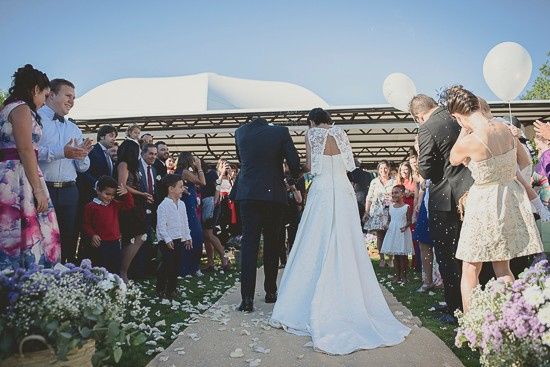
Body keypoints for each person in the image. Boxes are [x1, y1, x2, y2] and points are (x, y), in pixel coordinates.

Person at [270, 108, 410, 354]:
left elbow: (312, 167)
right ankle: (348, 291)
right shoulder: (341, 132)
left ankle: (309, 292)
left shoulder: (311, 134)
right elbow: (348, 164)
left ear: (312, 121)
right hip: (343, 190)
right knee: (347, 239)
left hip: (323, 190)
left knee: (315, 238)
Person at [445, 85, 544, 312]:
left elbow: (453, 158)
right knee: (503, 267)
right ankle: (509, 321)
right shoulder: (505, 128)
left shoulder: (470, 140)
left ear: (458, 115)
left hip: (483, 203)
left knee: (470, 267)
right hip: (508, 198)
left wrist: (464, 129)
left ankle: (471, 326)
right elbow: (523, 162)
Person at [411, 93, 473, 324]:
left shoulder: (427, 128)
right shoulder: (458, 116)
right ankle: (472, 304)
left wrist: (419, 154)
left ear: (419, 116)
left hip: (445, 198)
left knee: (447, 256)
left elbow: (426, 170)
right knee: (469, 255)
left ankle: (455, 309)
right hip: (469, 193)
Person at [233, 116, 300, 312]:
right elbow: (294, 162)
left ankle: (246, 299)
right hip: (273, 194)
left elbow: (241, 160)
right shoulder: (280, 132)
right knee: (272, 243)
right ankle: (270, 292)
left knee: (249, 245)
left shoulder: (240, 132)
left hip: (247, 193)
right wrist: (292, 177)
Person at [0, 64, 60, 270]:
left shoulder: (11, 107)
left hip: (17, 172)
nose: (44, 101)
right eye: (45, 94)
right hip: (18, 176)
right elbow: (25, 149)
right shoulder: (21, 108)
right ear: (35, 89)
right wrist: (38, 190)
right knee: (21, 229)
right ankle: (25, 276)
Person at [37, 78, 92, 264]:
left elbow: (83, 168)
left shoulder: (74, 128)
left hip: (70, 191)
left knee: (68, 237)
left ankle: (65, 278)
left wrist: (82, 155)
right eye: (68, 96)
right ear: (51, 94)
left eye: (74, 97)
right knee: (42, 238)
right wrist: (63, 152)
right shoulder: (35, 119)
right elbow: (29, 153)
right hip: (43, 190)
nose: (72, 101)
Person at [115, 139, 151, 282]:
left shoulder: (131, 166)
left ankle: (124, 270)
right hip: (129, 205)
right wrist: (141, 194)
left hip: (136, 205)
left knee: (139, 237)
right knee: (137, 237)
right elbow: (122, 186)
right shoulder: (123, 165)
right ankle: (122, 271)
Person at [82, 175, 134, 273]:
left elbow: (129, 205)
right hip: (100, 244)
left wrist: (126, 193)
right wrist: (92, 235)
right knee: (101, 268)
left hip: (114, 242)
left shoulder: (114, 204)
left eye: (113, 195)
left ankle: (113, 286)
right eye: (107, 194)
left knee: (114, 268)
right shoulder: (91, 206)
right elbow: (86, 224)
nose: (110, 197)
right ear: (98, 190)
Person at [156, 174, 192, 299]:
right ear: (171, 189)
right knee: (167, 265)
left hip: (178, 239)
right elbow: (161, 225)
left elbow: (185, 221)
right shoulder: (163, 206)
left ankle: (172, 288)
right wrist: (167, 239)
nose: (183, 189)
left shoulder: (181, 204)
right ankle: (161, 288)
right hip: (167, 241)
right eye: (180, 187)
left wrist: (187, 236)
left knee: (176, 266)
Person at [175, 152, 205, 276]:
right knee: (194, 235)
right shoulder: (184, 172)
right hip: (187, 205)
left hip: (191, 204)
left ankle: (192, 266)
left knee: (194, 235)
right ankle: (189, 267)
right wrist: (199, 168)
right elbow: (202, 182)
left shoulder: (184, 172)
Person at [363, 161, 395, 267]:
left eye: (385, 168)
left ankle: (390, 258)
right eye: (381, 168)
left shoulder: (394, 181)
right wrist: (366, 212)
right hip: (377, 212)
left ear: (389, 169)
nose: (383, 170)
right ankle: (382, 259)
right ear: (378, 170)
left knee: (390, 235)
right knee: (380, 236)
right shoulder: (374, 182)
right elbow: (369, 197)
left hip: (390, 212)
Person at [381, 185, 414, 282]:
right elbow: (390, 219)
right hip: (393, 231)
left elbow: (409, 220)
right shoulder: (391, 207)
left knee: (403, 256)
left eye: (396, 192)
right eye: (393, 193)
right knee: (395, 255)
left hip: (402, 232)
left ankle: (404, 275)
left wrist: (405, 226)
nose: (394, 195)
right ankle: (397, 275)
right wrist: (387, 224)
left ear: (402, 194)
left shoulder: (406, 207)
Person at [201, 162, 230, 272]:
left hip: (211, 204)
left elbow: (217, 185)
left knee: (208, 233)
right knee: (206, 235)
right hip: (205, 204)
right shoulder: (201, 174)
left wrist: (216, 200)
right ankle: (210, 262)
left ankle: (224, 257)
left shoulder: (211, 173)